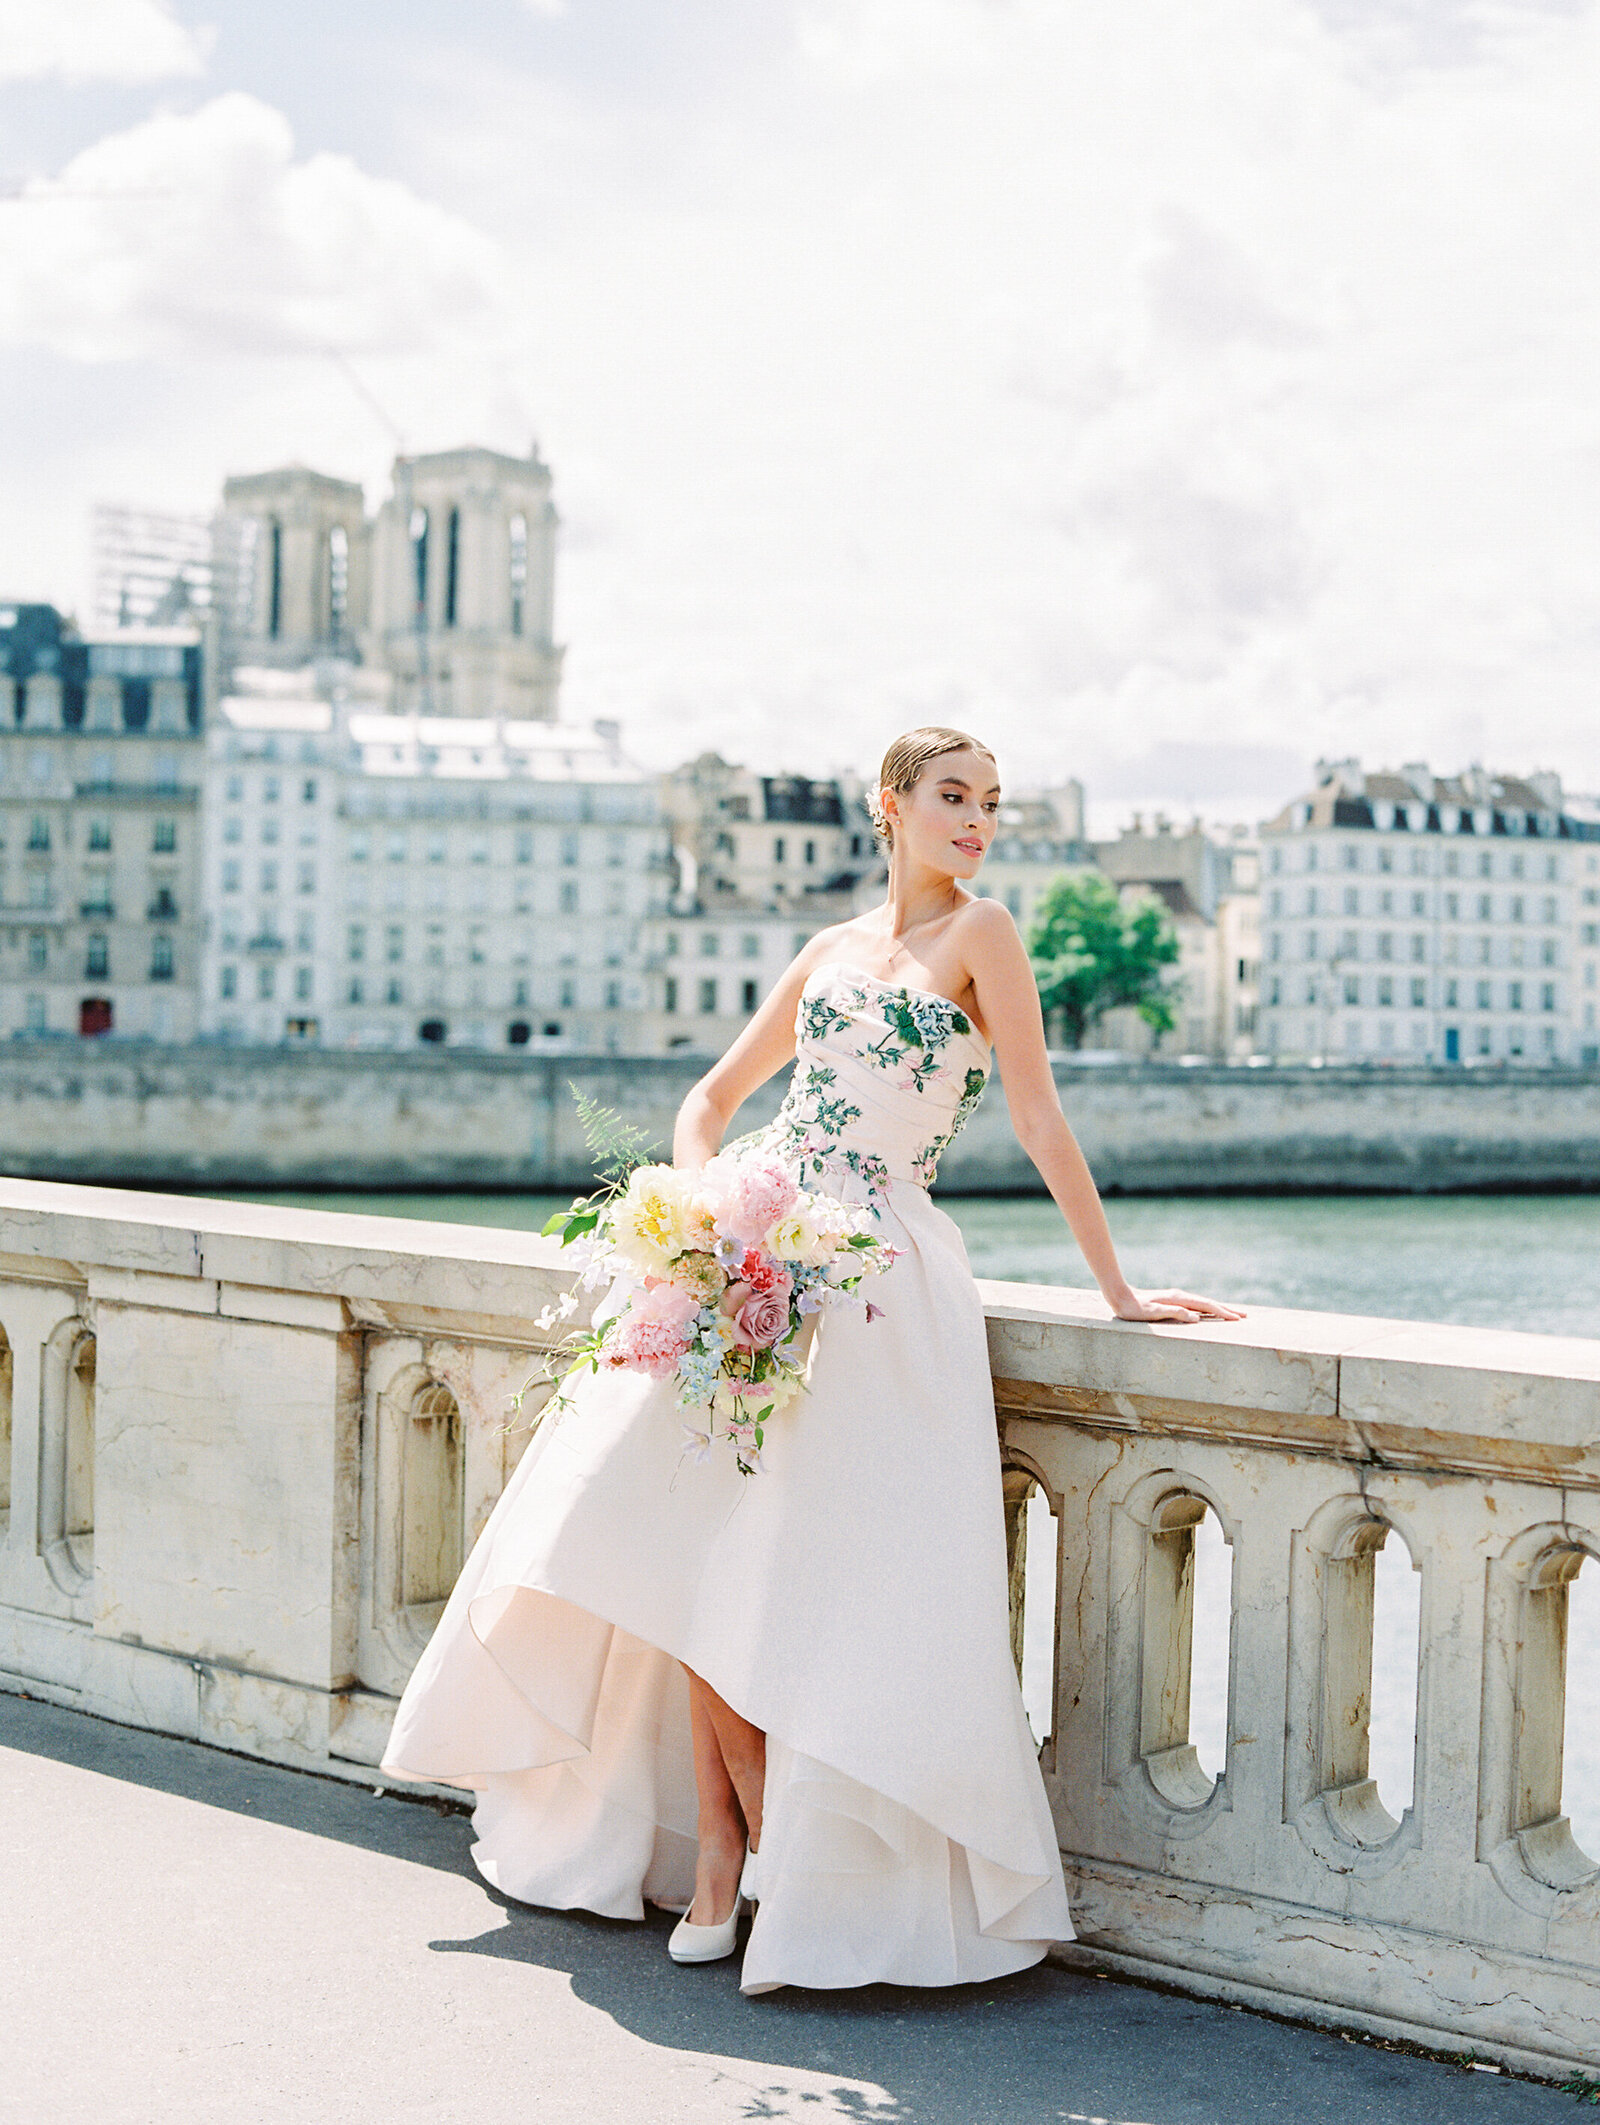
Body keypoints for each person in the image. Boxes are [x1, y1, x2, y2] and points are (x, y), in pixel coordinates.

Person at [382, 725, 1243, 1992]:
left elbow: (1038, 1112)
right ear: (888, 805)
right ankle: (728, 1845)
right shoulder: (829, 948)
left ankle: (773, 1847)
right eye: (953, 797)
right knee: (681, 1542)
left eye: (991, 803)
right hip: (758, 1245)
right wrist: (694, 1212)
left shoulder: (985, 933)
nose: (977, 821)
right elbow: (713, 1095)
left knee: (806, 1573)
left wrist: (1115, 1289)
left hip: (881, 1276)